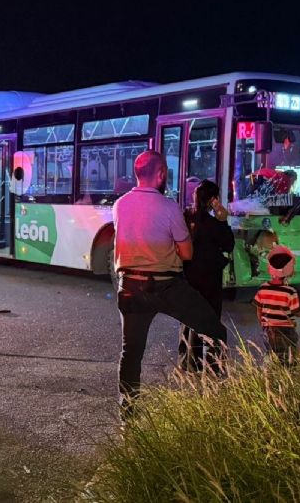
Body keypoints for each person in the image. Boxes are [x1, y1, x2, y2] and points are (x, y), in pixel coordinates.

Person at [113, 150, 225, 416]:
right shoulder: (168, 207)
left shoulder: (120, 205)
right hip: (166, 286)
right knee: (215, 331)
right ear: (161, 174)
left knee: (131, 352)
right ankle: (218, 396)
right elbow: (187, 253)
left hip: (128, 286)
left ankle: (127, 415)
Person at [178, 180, 235, 372]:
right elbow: (228, 245)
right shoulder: (214, 223)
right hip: (210, 277)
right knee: (211, 319)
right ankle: (212, 364)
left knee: (189, 317)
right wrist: (223, 219)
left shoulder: (185, 217)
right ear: (213, 200)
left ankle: (188, 362)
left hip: (188, 276)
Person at [254, 245, 300, 366]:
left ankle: (269, 377)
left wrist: (264, 323)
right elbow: (297, 312)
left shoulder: (262, 288)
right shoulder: (290, 291)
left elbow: (259, 309)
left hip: (268, 329)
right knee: (288, 359)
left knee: (271, 354)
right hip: (286, 330)